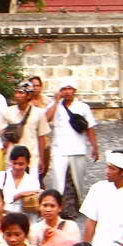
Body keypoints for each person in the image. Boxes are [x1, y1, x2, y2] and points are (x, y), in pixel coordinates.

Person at [46, 78, 99, 208]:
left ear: (74, 90)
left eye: (69, 89)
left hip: (78, 148)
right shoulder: (55, 106)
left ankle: (76, 204)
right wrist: (56, 102)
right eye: (64, 89)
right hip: (59, 149)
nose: (67, 92)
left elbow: (89, 128)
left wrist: (94, 146)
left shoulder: (82, 107)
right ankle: (57, 206)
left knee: (78, 180)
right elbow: (46, 119)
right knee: (58, 180)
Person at [1, 80, 50, 177]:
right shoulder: (7, 112)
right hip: (12, 157)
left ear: (28, 95)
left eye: (21, 93)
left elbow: (41, 137)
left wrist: (41, 159)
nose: (17, 95)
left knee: (31, 188)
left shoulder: (39, 113)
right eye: (16, 92)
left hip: (32, 158)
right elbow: (2, 133)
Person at [0, 145, 42, 216]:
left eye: (21, 164)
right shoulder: (0, 176)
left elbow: (33, 204)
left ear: (28, 163)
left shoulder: (33, 181)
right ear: (10, 162)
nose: (17, 167)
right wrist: (20, 195)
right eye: (14, 163)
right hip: (3, 217)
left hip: (25, 219)